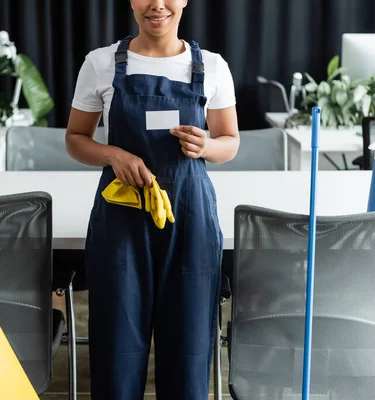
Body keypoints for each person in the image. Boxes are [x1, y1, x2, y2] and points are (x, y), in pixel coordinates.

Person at [65, 0, 239, 398]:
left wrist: (207, 146)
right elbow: (76, 139)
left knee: (189, 340)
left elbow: (229, 142)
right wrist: (113, 154)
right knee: (117, 342)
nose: (157, 5)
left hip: (190, 215)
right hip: (120, 217)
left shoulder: (211, 66)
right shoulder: (101, 63)